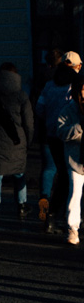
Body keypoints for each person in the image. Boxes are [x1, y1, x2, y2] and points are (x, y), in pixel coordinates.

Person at [0, 65, 34, 220]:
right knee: (19, 173)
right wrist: (29, 140)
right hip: (17, 141)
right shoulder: (21, 96)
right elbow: (28, 123)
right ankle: (21, 204)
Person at [35, 58, 76, 232]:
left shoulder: (49, 86)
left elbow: (39, 109)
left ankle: (52, 216)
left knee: (61, 174)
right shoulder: (74, 86)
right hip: (72, 135)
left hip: (52, 135)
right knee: (72, 176)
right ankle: (70, 215)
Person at [54, 75, 84, 246]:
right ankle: (73, 228)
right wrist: (79, 127)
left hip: (76, 156)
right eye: (81, 89)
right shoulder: (69, 110)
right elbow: (61, 132)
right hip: (75, 157)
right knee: (75, 193)